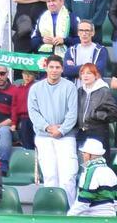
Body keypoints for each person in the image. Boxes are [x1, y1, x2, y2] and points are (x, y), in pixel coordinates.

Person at [30, 55, 79, 200]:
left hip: (66, 137)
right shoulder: (36, 88)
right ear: (46, 68)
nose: (54, 70)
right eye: (51, 67)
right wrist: (47, 127)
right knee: (50, 175)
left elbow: (73, 113)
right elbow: (33, 112)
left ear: (62, 69)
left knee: (68, 176)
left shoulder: (70, 87)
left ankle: (69, 213)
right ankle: (53, 209)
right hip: (43, 137)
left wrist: (61, 130)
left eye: (57, 67)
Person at [67, 137, 117, 216]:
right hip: (110, 217)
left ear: (89, 155)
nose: (83, 155)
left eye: (84, 153)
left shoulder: (91, 172)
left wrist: (69, 216)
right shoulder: (110, 171)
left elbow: (83, 202)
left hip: (92, 217)